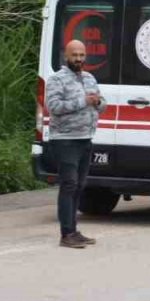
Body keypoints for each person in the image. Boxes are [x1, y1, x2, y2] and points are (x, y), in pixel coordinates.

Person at [44, 39, 105, 249]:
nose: (78, 59)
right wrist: (83, 102)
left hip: (85, 138)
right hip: (65, 140)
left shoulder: (89, 78)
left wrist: (98, 102)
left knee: (79, 186)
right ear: (66, 56)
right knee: (69, 185)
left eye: (81, 55)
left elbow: (102, 105)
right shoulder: (56, 79)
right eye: (75, 55)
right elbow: (54, 107)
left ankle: (74, 230)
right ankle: (66, 233)